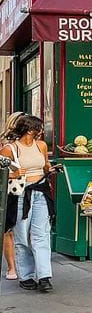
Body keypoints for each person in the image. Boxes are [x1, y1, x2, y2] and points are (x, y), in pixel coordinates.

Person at [1, 115, 59, 292]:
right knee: (22, 235)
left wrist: (52, 170)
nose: (41, 131)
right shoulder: (9, 149)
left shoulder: (40, 145)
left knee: (41, 234)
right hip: (20, 194)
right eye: (38, 127)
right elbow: (2, 174)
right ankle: (26, 276)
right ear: (29, 129)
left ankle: (44, 276)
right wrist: (13, 174)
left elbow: (45, 165)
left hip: (41, 191)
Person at [2, 111, 23, 281]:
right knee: (8, 230)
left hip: (29, 190)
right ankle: (11, 267)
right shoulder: (6, 146)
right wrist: (11, 175)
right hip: (10, 191)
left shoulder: (36, 144)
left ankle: (21, 267)